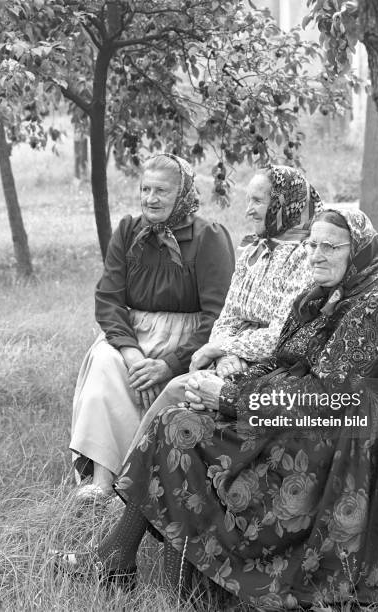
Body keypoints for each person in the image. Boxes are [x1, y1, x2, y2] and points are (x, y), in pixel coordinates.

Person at [83, 209, 378, 609]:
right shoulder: (320, 295)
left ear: (359, 250)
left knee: (182, 430)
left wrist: (230, 400)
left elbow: (326, 397)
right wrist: (223, 386)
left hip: (335, 439)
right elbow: (283, 358)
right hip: (287, 413)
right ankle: (136, 567)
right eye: (313, 245)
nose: (316, 255)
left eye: (330, 247)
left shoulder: (376, 306)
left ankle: (153, 575)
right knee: (177, 419)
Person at [123, 164, 323, 459]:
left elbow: (282, 333)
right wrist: (226, 355)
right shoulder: (254, 251)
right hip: (232, 359)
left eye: (257, 201)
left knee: (180, 391)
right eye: (248, 201)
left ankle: (131, 482)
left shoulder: (307, 258)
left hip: (274, 368)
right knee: (183, 393)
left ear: (282, 203)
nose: (249, 211)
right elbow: (226, 317)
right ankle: (133, 481)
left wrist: (227, 350)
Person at [69, 153, 235, 501]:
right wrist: (131, 357)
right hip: (132, 338)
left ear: (184, 194)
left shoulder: (209, 238)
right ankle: (102, 479)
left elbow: (218, 315)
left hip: (186, 340)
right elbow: (109, 298)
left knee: (172, 390)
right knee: (103, 364)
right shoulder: (129, 231)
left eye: (161, 190)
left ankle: (139, 486)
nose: (150, 198)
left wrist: (168, 365)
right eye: (145, 189)